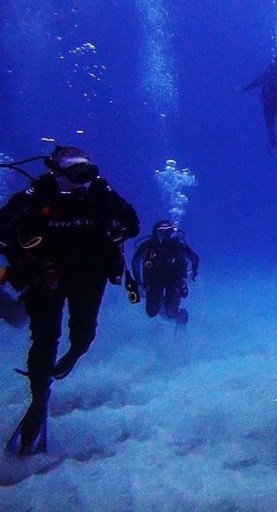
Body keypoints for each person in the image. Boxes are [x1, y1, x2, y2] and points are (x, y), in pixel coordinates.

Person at [0, 145, 139, 455]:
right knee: (45, 338)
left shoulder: (101, 194)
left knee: (83, 336)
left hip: (89, 275)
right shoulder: (37, 196)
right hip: (45, 276)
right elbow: (2, 231)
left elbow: (132, 221)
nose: (81, 180)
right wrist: (26, 259)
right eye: (73, 172)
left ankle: (62, 363)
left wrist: (115, 236)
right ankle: (39, 399)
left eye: (86, 171)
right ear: (54, 171)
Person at [130, 220, 199, 326]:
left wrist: (194, 272)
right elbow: (135, 262)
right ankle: (163, 302)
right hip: (155, 279)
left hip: (174, 279)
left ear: (172, 233)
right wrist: (138, 284)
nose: (165, 236)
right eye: (161, 232)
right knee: (152, 312)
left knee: (171, 312)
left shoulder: (178, 246)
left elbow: (194, 258)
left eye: (169, 232)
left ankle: (181, 315)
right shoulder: (148, 246)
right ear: (155, 233)